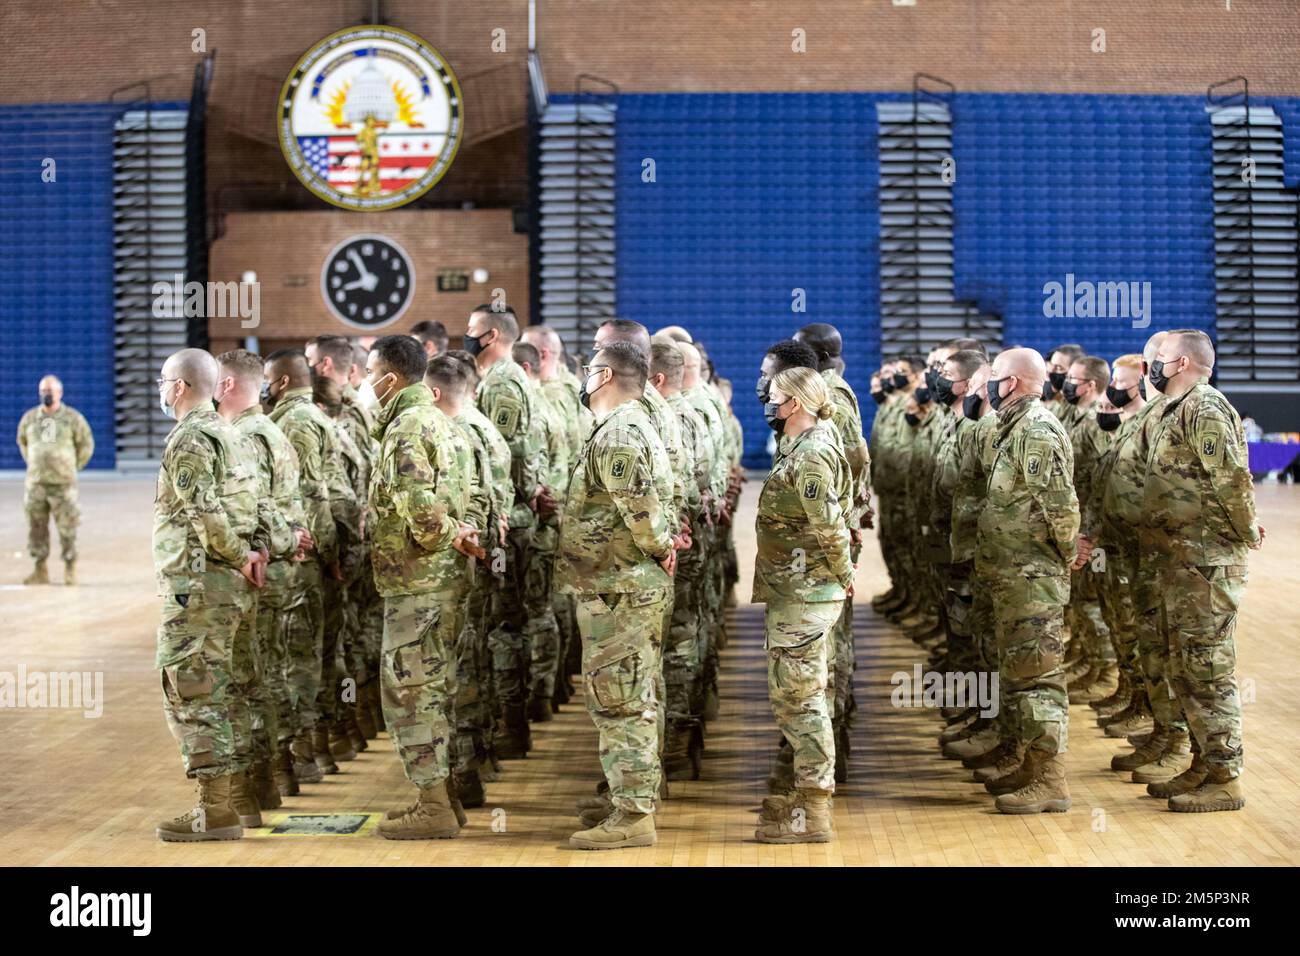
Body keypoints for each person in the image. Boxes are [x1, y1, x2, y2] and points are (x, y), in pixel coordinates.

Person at [557, 342, 676, 850]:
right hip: (616, 586)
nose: (583, 378)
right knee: (624, 697)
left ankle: (632, 815)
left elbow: (644, 516)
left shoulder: (622, 433)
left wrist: (663, 546)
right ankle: (628, 799)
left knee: (622, 701)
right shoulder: (622, 426)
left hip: (621, 588)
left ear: (604, 375)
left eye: (588, 370)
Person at [1140, 329, 1262, 812]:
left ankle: (1226, 776)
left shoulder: (1205, 408)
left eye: (1164, 358)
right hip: (1181, 560)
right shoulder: (1178, 407)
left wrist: (1246, 530)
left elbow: (1231, 478)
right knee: (1185, 668)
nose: (1157, 363)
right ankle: (1204, 764)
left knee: (1208, 671)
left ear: (1185, 362)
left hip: (1206, 563)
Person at [365, 335, 481, 838]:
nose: (366, 385)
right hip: (443, 581)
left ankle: (432, 804)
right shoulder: (442, 421)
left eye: (371, 374)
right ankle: (444, 795)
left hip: (419, 582)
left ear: (390, 378)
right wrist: (465, 534)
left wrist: (452, 534)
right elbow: (471, 494)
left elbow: (424, 519)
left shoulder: (407, 428)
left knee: (409, 693)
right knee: (437, 688)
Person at [152, 349, 266, 842]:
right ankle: (237, 799)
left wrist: (239, 554)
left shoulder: (190, 437)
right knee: (226, 689)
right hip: (230, 587)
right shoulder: (230, 432)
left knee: (193, 693)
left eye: (163, 380)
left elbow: (205, 513)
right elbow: (256, 500)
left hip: (200, 588)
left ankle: (213, 810)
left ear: (179, 387)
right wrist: (254, 552)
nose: (160, 388)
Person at [976, 347, 1080, 814]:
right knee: (1019, 674)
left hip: (1032, 575)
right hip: (1013, 573)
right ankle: (1029, 762)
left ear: (1014, 382)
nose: (989, 384)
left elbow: (1061, 506)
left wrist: (1065, 554)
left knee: (1039, 677)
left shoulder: (1036, 431)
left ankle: (1050, 779)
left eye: (994, 376)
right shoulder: (1012, 427)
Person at [752, 366, 852, 844]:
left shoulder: (811, 453)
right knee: (797, 694)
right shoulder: (800, 443)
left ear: (794, 404)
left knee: (801, 698)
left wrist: (847, 577)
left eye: (774, 395)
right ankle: (807, 794)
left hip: (807, 592)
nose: (767, 400)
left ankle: (813, 809)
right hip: (797, 589)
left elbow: (830, 525)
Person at [215, 349, 312, 820]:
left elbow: (255, 511)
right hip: (275, 563)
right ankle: (273, 777)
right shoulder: (268, 429)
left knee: (245, 681)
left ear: (229, 384)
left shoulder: (244, 437)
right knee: (265, 675)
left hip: (257, 569)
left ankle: (252, 788)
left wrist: (250, 551)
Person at [263, 349, 359, 780]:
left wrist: (316, 548)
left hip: (305, 556)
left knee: (298, 659)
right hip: (326, 550)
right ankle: (322, 742)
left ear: (282, 381)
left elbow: (310, 496)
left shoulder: (296, 422)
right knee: (321, 654)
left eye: (269, 378)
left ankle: (303, 750)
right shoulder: (319, 418)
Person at [465, 303, 553, 755]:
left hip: (510, 519)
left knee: (502, 626)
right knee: (508, 623)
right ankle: (510, 722)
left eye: (473, 330)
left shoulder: (501, 380)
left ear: (493, 335)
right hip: (516, 514)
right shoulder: (511, 377)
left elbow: (506, 451)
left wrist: (515, 498)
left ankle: (509, 724)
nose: (467, 337)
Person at [427, 353, 511, 806]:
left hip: (457, 563)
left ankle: (462, 773)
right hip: (479, 558)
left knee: (457, 668)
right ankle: (478, 759)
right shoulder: (485, 429)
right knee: (474, 659)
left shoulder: (454, 432)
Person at [1062, 355, 1117, 703]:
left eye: (1072, 377)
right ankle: (1091, 661)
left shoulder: (1097, 423)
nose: (1065, 381)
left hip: (1092, 531)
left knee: (1094, 603)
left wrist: (1091, 533)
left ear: (1092, 384)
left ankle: (1107, 671)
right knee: (1081, 601)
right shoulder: (1078, 417)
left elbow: (1101, 480)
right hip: (1080, 526)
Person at [16, 375, 94, 585]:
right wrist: (35, 463)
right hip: (36, 484)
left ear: (59, 393)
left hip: (63, 484)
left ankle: (70, 568)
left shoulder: (72, 418)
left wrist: (72, 467)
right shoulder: (30, 418)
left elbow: (86, 444)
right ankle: (40, 569)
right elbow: (22, 442)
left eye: (50, 391)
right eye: (43, 391)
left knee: (68, 528)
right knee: (36, 527)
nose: (46, 395)